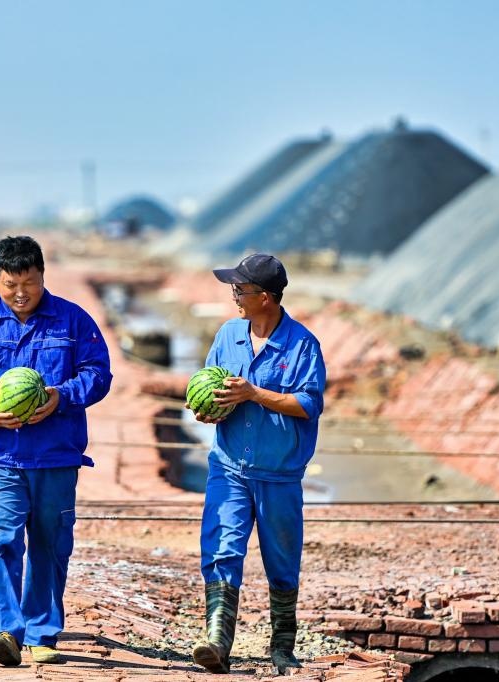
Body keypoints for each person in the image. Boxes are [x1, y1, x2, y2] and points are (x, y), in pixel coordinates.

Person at [0, 235, 112, 667]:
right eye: (10, 284)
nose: (21, 293)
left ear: (42, 275)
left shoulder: (73, 321)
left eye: (30, 283)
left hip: (56, 456)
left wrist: (62, 396)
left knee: (49, 544)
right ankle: (5, 631)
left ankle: (42, 633)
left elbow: (98, 374)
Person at [189, 253, 326, 675]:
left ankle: (283, 648)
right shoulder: (228, 335)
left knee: (282, 562)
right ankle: (217, 642)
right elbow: (207, 385)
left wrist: (255, 393)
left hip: (279, 475)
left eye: (240, 289)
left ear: (265, 297)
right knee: (222, 547)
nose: (234, 295)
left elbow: (308, 404)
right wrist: (205, 410)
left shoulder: (302, 345)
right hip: (229, 467)